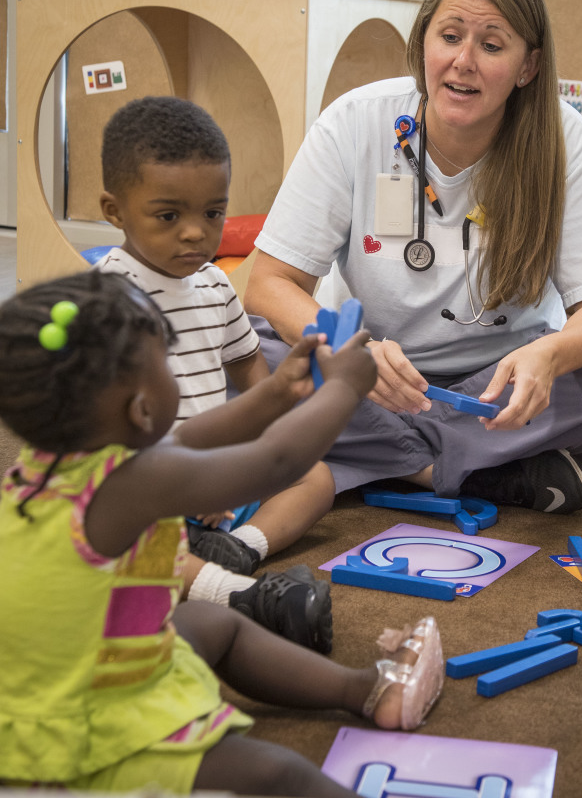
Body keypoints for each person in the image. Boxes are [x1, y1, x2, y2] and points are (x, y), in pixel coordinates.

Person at [245, 0, 582, 513]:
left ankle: (380, 461)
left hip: (500, 384)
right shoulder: (353, 121)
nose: (463, 61)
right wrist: (351, 352)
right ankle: (457, 470)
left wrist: (555, 355)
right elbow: (268, 284)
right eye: (449, 37)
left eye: (491, 46)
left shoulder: (564, 140)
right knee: (235, 353)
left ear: (527, 67)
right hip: (374, 371)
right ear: (422, 43)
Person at [0, 269, 444, 797]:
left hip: (75, 669)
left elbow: (190, 438)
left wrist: (278, 392)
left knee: (212, 623)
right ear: (142, 409)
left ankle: (364, 689)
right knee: (281, 775)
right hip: (85, 731)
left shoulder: (65, 462)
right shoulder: (131, 485)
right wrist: (346, 388)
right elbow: (275, 461)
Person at [96, 96, 337, 651]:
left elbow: (248, 364)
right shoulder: (108, 298)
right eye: (168, 216)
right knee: (124, 544)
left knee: (316, 477)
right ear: (115, 211)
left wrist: (260, 443)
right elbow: (105, 424)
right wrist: (182, 482)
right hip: (143, 484)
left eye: (212, 214)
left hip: (214, 476)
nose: (195, 234)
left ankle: (240, 549)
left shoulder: (214, 285)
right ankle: (235, 594)